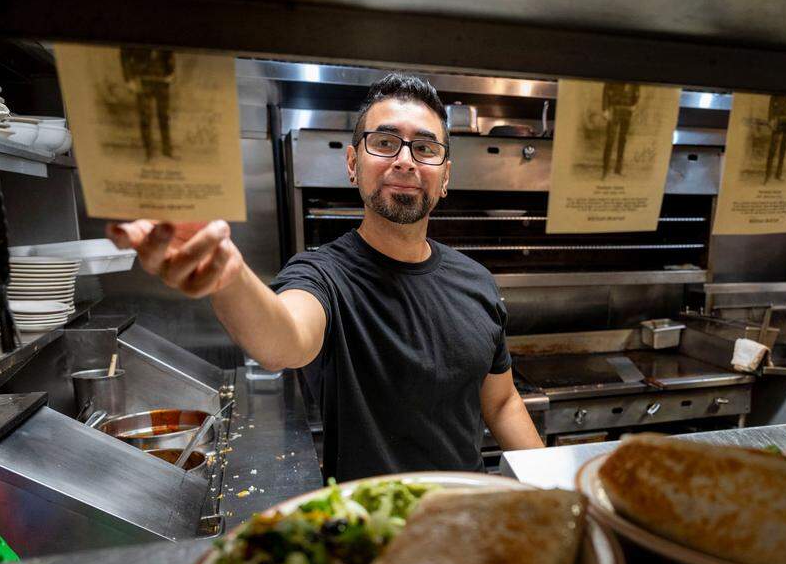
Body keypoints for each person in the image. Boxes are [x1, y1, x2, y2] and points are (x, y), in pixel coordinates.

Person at [108, 73, 544, 480]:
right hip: (365, 523)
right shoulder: (323, 275)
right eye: (385, 142)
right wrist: (227, 273)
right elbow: (283, 340)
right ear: (353, 163)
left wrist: (554, 486)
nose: (405, 161)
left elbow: (502, 402)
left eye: (425, 149)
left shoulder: (477, 282)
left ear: (445, 176)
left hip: (467, 516)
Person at [119, 48, 175, 160]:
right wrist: (128, 79)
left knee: (164, 116)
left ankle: (167, 151)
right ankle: (149, 153)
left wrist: (171, 71)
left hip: (162, 77)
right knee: (145, 117)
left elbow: (170, 52)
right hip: (142, 78)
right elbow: (124, 55)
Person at [601, 82, 639, 177]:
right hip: (614, 108)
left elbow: (637, 90)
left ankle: (618, 169)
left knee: (623, 139)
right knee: (610, 139)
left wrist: (635, 104)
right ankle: (605, 169)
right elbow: (606, 90)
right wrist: (605, 109)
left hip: (627, 109)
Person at [765, 95, 786, 183]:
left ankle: (778, 174)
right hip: (777, 120)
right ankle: (767, 175)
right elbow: (771, 105)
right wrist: (770, 119)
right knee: (772, 149)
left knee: (783, 149)